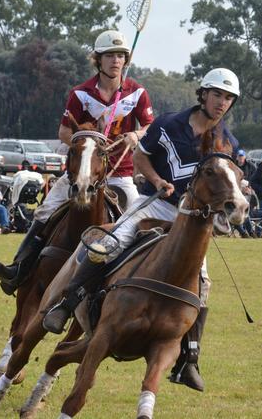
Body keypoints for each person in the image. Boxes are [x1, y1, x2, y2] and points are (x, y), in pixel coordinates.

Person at [42, 67, 243, 393]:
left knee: (203, 283)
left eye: (228, 98)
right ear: (203, 94)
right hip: (159, 206)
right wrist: (156, 180)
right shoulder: (168, 123)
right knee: (107, 244)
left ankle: (189, 359)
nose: (222, 102)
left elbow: (227, 181)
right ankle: (66, 305)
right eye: (217, 94)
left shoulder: (227, 141)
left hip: (191, 221)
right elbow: (140, 157)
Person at [0, 29, 154, 294]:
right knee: (45, 210)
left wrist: (136, 133)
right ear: (98, 60)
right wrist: (86, 147)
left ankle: (133, 279)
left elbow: (150, 124)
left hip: (119, 173)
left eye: (121, 56)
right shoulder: (80, 94)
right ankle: (19, 268)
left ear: (126, 60)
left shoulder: (136, 93)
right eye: (109, 55)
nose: (116, 61)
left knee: (137, 222)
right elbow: (64, 132)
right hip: (82, 172)